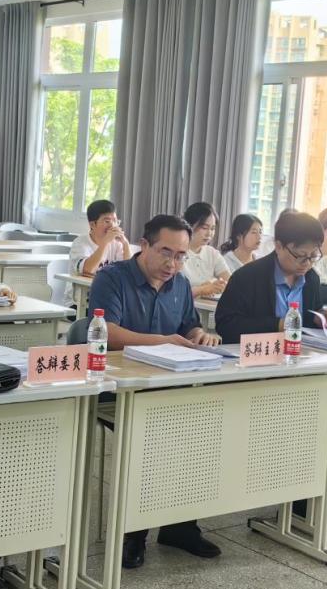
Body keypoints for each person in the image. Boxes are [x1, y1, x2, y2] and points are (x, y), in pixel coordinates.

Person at [88, 214, 222, 569]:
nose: (172, 263)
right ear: (144, 245)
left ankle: (180, 527)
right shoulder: (111, 278)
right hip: (117, 389)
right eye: (165, 252)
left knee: (205, 427)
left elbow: (189, 327)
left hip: (167, 387)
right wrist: (164, 341)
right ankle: (134, 533)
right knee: (154, 434)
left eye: (180, 256)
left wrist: (199, 335)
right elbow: (107, 333)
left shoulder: (180, 284)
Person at [216, 212, 327, 342]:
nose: (307, 263)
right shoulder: (248, 277)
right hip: (257, 352)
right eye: (300, 256)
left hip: (300, 351)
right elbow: (225, 324)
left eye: (313, 256)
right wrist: (276, 325)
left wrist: (321, 318)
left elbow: (311, 315)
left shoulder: (311, 278)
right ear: (278, 246)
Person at [67, 199, 131, 304]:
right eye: (107, 221)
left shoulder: (117, 244)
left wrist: (125, 244)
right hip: (80, 302)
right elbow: (88, 270)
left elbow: (129, 271)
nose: (112, 225)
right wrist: (105, 242)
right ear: (92, 224)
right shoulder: (80, 243)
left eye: (115, 221)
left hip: (107, 300)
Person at [182, 201, 231, 298]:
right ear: (189, 225)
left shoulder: (212, 253)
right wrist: (201, 289)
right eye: (204, 228)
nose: (209, 234)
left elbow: (230, 281)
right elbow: (174, 294)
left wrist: (217, 284)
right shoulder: (177, 253)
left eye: (212, 229)